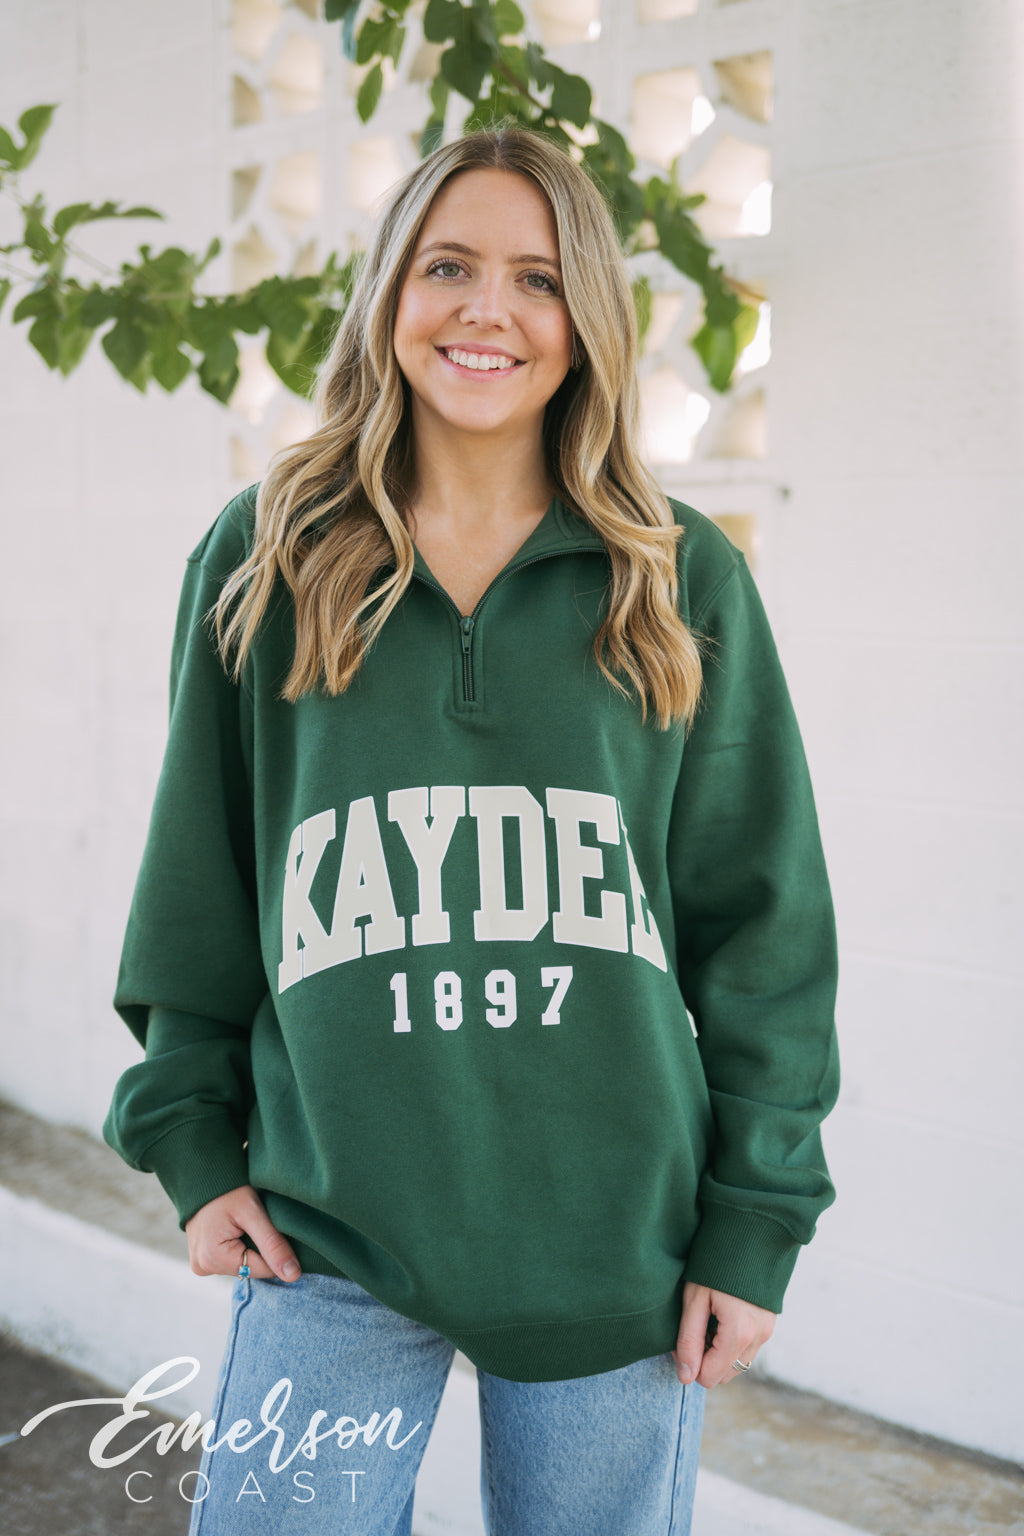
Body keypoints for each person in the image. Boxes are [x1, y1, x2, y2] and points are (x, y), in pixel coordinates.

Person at [104, 124, 839, 1535]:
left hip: (616, 1247)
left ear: (587, 318)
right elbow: (201, 881)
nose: (487, 310)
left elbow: (766, 929)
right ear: (391, 291)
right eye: (448, 266)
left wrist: (756, 1219)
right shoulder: (271, 553)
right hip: (323, 1231)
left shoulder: (676, 579)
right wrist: (194, 1145)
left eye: (537, 278)